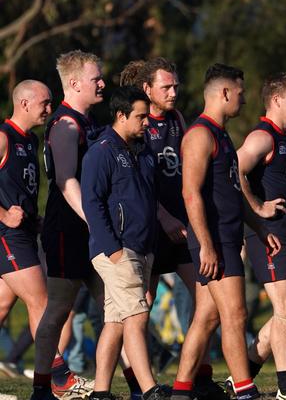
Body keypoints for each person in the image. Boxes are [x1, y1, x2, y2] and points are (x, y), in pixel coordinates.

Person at [170, 63, 279, 400]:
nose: (245, 101)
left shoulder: (222, 135)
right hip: (215, 240)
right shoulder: (200, 135)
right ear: (225, 93)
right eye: (241, 93)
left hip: (226, 236)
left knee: (207, 318)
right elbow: (190, 193)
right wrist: (206, 245)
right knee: (236, 313)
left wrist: (259, 227)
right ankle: (244, 389)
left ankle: (181, 390)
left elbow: (232, 192)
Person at [121, 58, 223, 399]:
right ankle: (141, 384)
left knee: (208, 301)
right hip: (151, 229)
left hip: (183, 230)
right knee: (140, 310)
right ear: (147, 89)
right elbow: (137, 184)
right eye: (166, 86)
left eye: (176, 85)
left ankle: (202, 378)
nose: (174, 92)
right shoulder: (136, 125)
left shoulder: (178, 120)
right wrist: (163, 218)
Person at [82, 86, 167, 400]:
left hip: (142, 248)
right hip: (117, 249)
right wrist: (113, 249)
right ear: (120, 116)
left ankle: (100, 392)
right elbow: (92, 203)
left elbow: (147, 199)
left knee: (116, 320)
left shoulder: (143, 150)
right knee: (137, 315)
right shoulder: (102, 151)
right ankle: (148, 389)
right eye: (141, 116)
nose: (147, 122)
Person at [31, 50, 104, 400]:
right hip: (67, 231)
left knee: (118, 308)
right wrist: (96, 221)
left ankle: (138, 385)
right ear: (75, 84)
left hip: (91, 231)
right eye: (96, 78)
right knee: (59, 309)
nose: (102, 82)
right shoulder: (66, 125)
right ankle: (42, 387)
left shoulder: (88, 122)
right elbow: (64, 181)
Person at [235, 72, 286, 400]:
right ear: (276, 100)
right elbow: (232, 170)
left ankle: (243, 376)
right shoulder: (262, 136)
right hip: (270, 235)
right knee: (284, 310)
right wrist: (257, 207)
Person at [0, 81, 59, 396]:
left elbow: (20, 186)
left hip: (22, 233)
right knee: (42, 304)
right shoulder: (3, 137)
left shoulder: (31, 139)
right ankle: (52, 382)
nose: (49, 109)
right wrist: (4, 215)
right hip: (7, 236)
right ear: (24, 103)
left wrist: (32, 216)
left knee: (1, 307)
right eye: (45, 103)